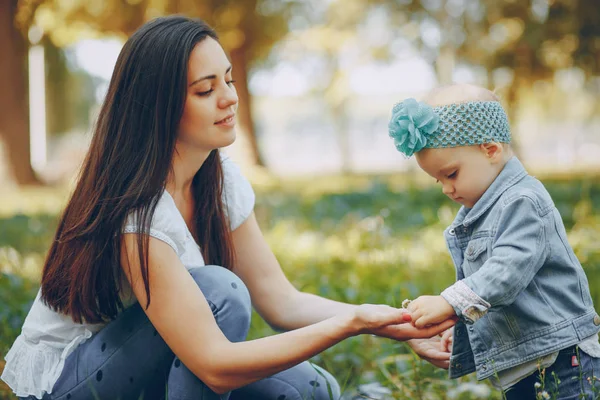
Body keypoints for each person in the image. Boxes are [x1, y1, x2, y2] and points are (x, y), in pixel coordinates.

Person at [1, 16, 455, 400]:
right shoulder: (138, 212)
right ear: (158, 108)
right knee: (221, 292)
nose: (230, 98)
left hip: (155, 359)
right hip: (68, 381)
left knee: (313, 389)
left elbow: (283, 302)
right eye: (205, 89)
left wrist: (391, 322)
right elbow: (215, 366)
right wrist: (352, 324)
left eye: (229, 79)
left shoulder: (219, 183)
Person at [388, 83, 600, 399]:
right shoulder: (480, 211)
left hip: (564, 363)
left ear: (490, 150)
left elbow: (507, 270)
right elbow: (489, 294)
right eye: (438, 180)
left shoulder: (523, 200)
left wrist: (450, 301)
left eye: (452, 174)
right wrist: (459, 324)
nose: (446, 188)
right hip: (525, 367)